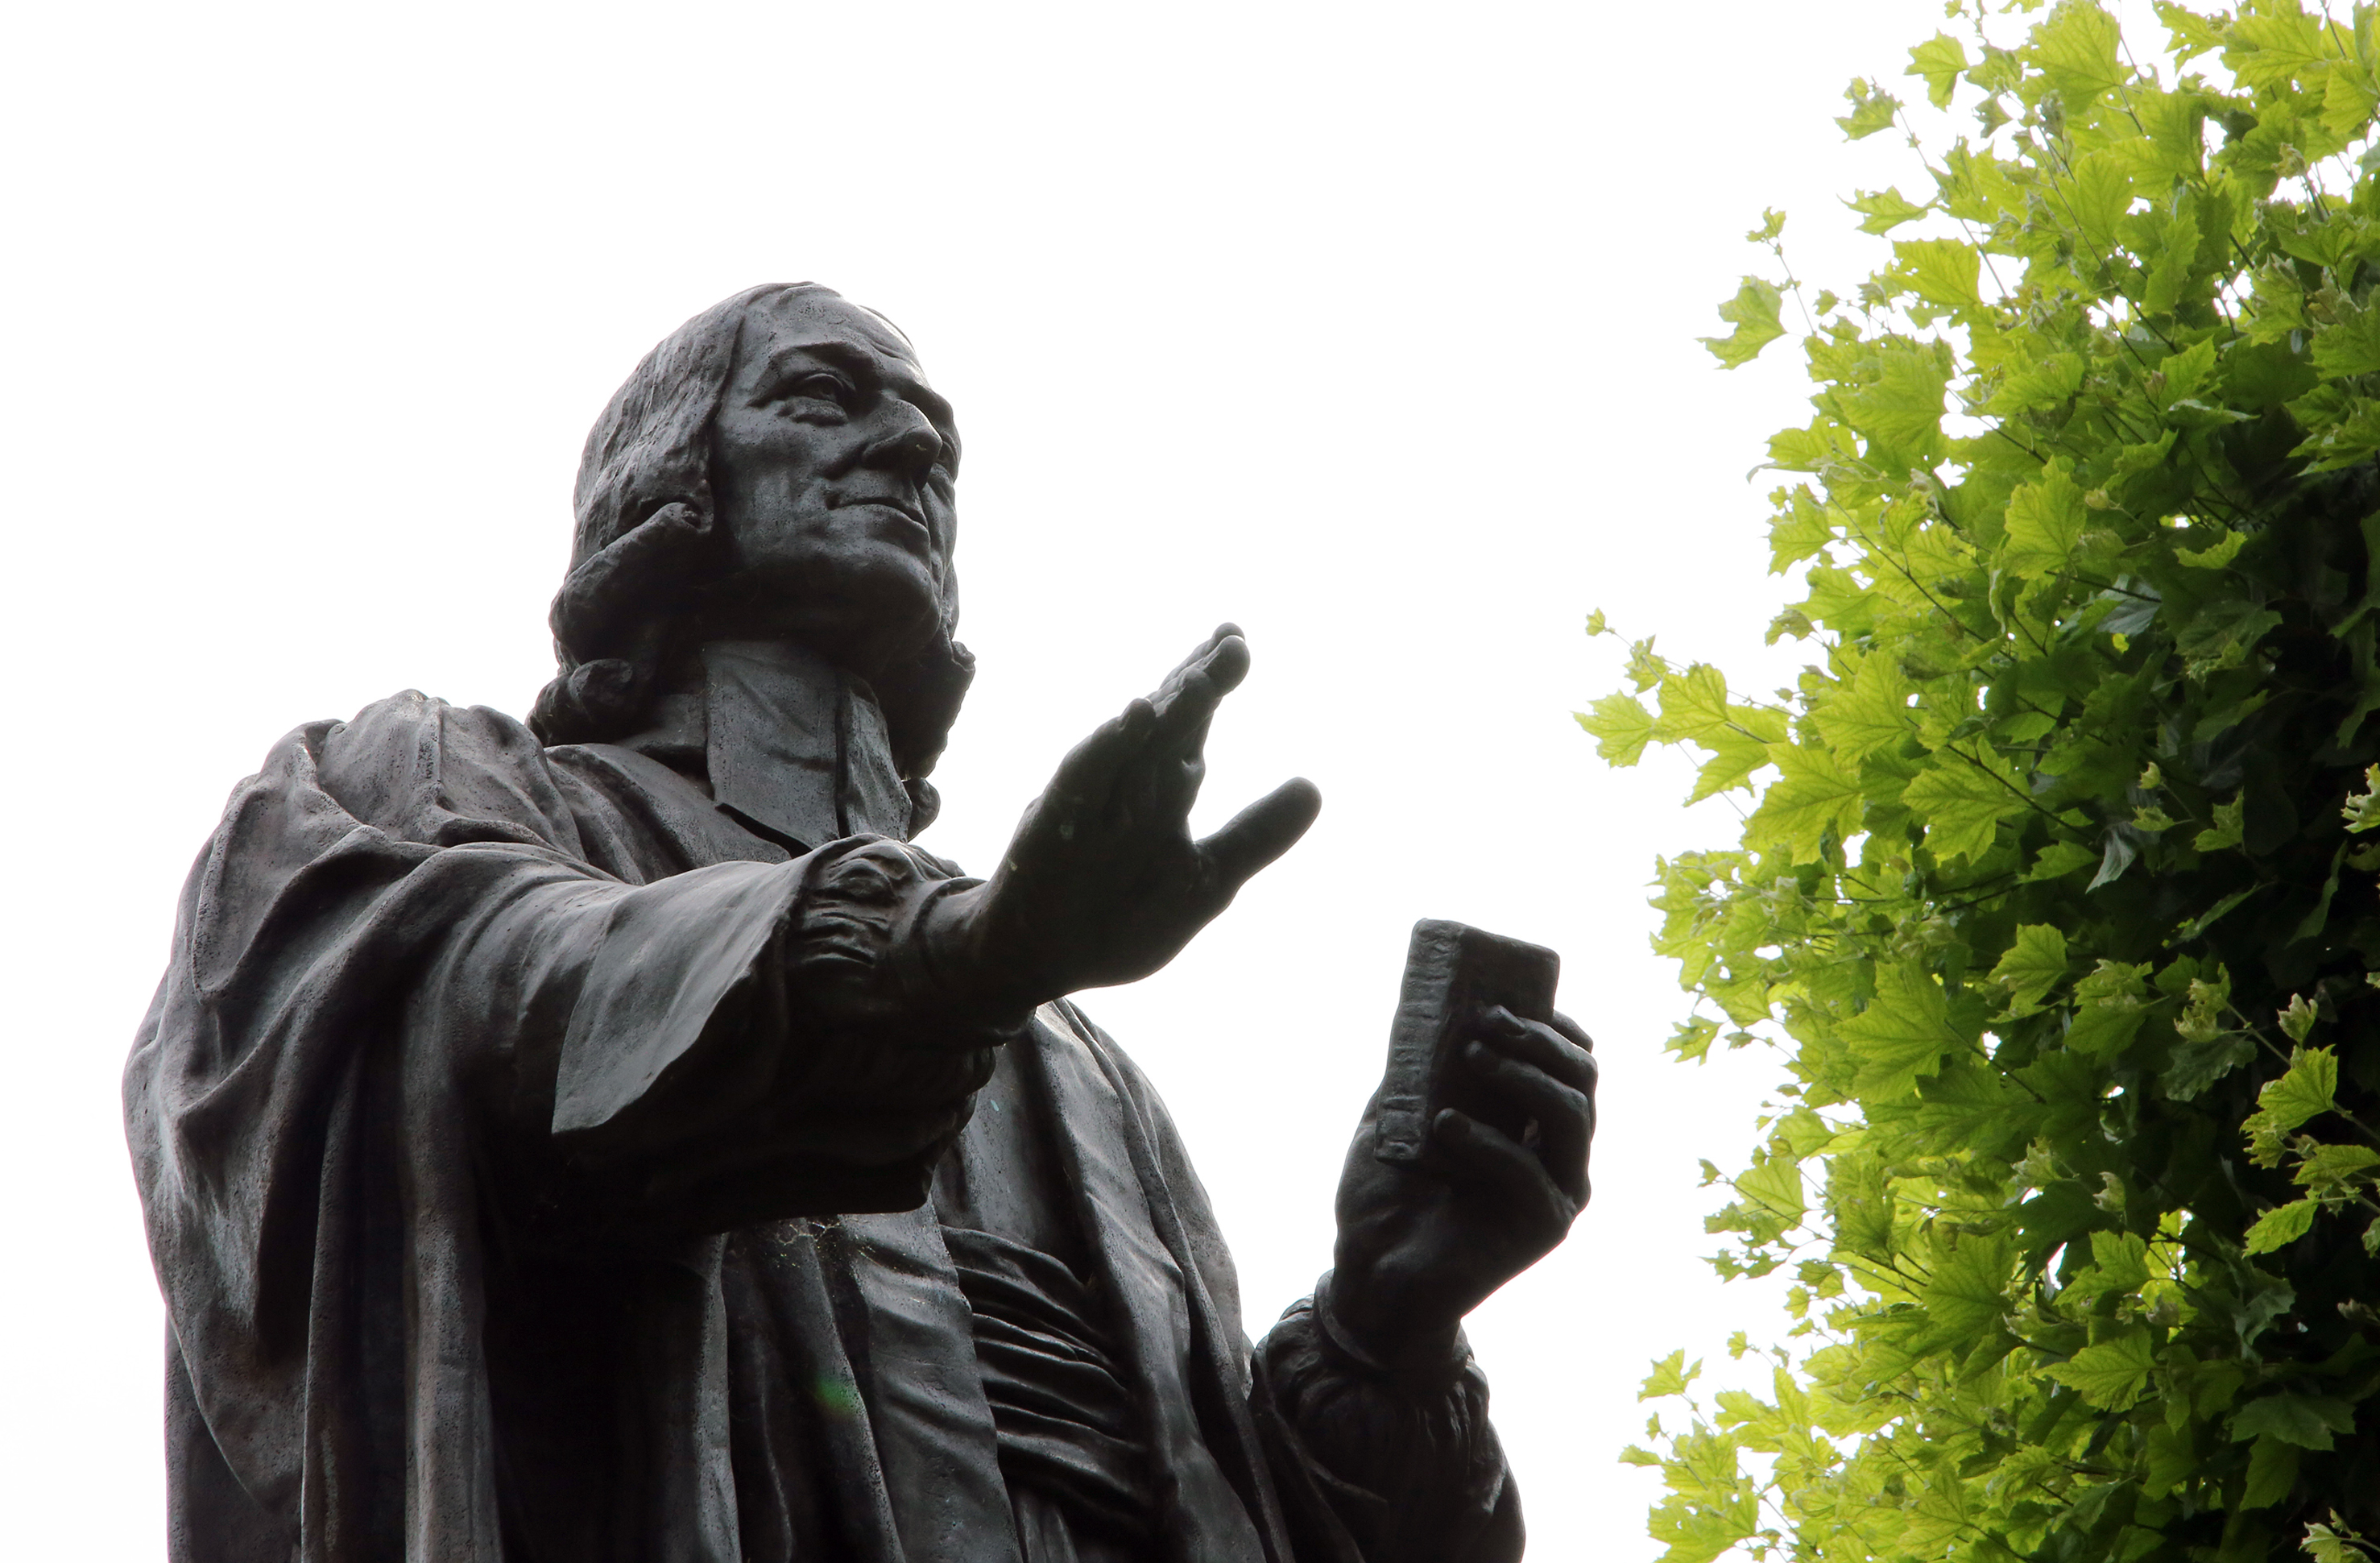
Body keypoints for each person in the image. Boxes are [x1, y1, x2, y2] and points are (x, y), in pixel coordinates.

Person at [125, 283, 1599, 1563]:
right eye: (822, 398)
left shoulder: (1087, 1070)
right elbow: (502, 1002)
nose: (906, 449)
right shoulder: (436, 781)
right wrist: (946, 961)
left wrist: (1379, 1337)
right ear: (668, 476)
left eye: (936, 440)